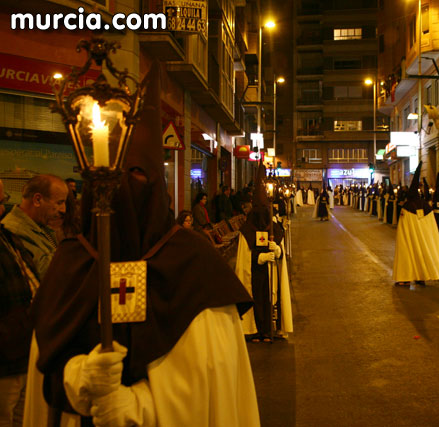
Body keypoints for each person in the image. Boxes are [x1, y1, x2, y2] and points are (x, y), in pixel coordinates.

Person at [24, 62, 259, 426]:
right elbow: (45, 364)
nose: (120, 187)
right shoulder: (72, 261)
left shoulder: (193, 264)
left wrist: (142, 406)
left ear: (155, 186)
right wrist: (77, 379)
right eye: (112, 176)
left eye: (135, 174)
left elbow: (213, 380)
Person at [236, 164, 293, 343]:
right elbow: (243, 258)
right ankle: (255, 330)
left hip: (271, 273)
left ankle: (270, 329)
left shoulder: (274, 227)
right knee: (257, 300)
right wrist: (258, 257)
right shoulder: (247, 230)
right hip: (254, 273)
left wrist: (278, 251)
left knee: (270, 299)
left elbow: (281, 250)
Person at [0, 179, 40, 427]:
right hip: (6, 353)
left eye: (2, 201)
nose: (2, 209)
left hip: (23, 347)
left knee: (23, 418)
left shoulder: (6, 235)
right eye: (0, 201)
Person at [392, 162, 439, 285]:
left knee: (408, 253)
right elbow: (431, 227)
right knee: (421, 252)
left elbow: (403, 227)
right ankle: (421, 276)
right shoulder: (426, 206)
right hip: (423, 238)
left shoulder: (407, 206)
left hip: (409, 237)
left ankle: (405, 278)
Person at [1, 174, 68, 279]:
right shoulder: (14, 230)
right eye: (59, 203)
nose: (63, 209)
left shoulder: (40, 225)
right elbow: (46, 274)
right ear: (37, 200)